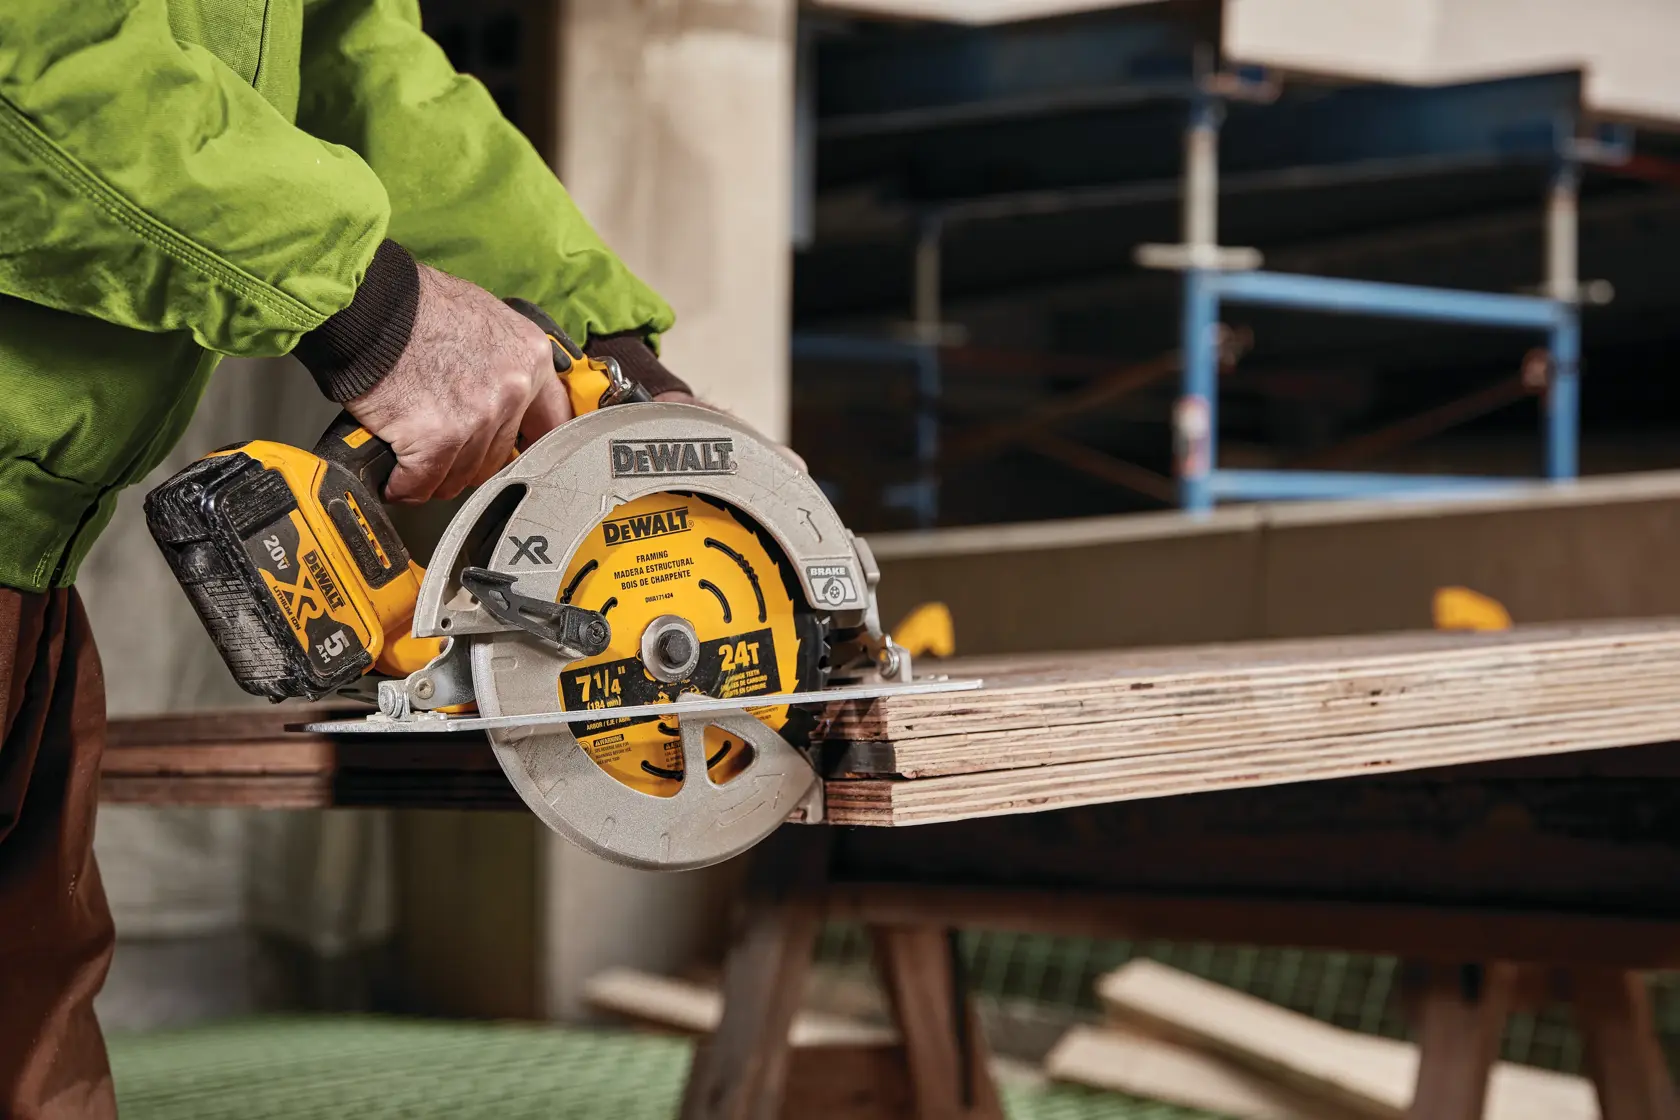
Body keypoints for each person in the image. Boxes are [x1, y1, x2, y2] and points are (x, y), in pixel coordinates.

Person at [0, 2, 706, 1115]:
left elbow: (348, 61)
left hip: (31, 563)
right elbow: (28, 68)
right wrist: (379, 308)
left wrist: (602, 354)